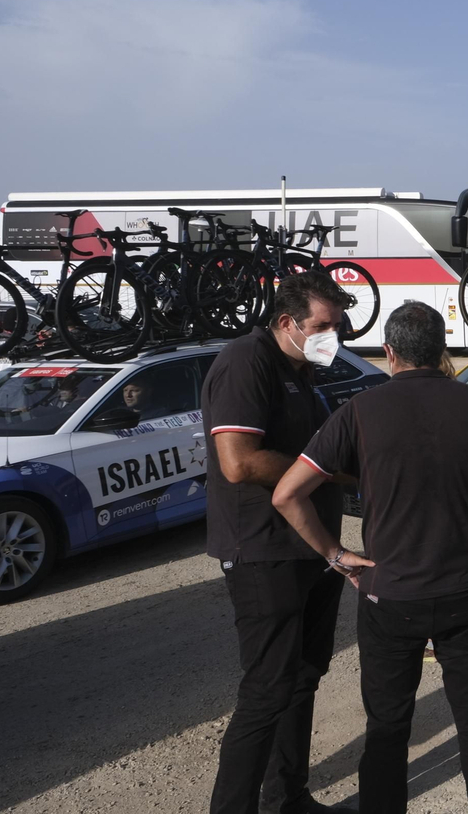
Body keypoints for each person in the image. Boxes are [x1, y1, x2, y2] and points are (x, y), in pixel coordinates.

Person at [272, 302, 468, 814]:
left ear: (389, 353)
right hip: (466, 591)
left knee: (387, 729)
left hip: (390, 595)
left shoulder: (359, 412)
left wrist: (336, 554)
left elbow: (285, 495)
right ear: (440, 352)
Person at [203, 269, 356, 814]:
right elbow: (239, 461)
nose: (333, 337)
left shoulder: (303, 371)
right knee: (268, 688)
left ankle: (287, 796)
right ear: (287, 322)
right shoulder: (247, 361)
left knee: (303, 678)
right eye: (323, 325)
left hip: (309, 550)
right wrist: (327, 476)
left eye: (338, 326)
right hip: (263, 551)